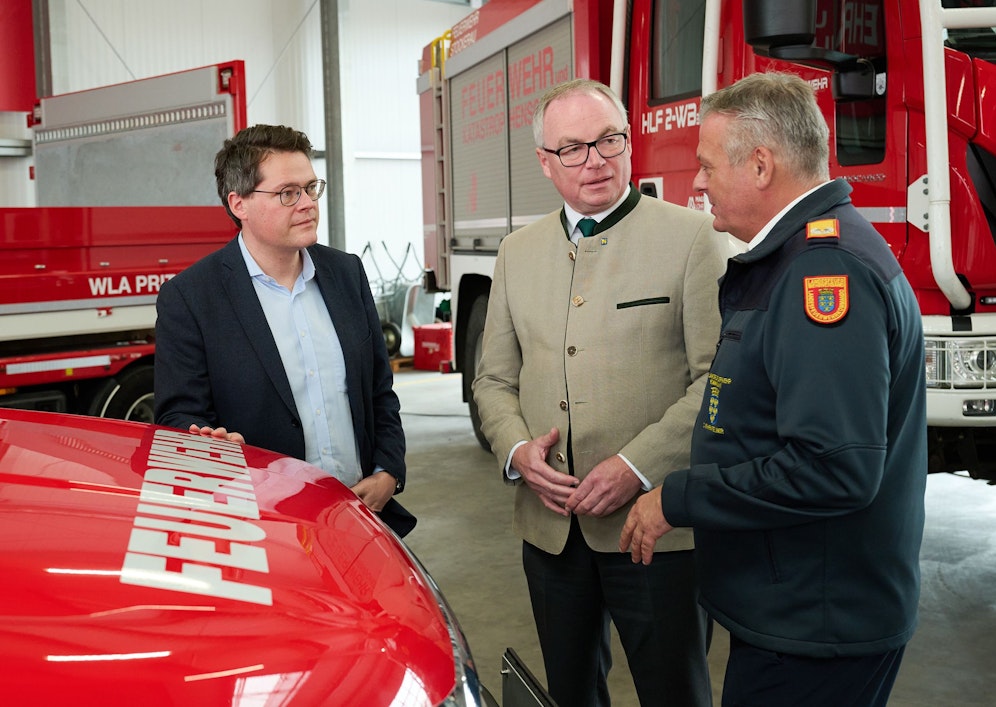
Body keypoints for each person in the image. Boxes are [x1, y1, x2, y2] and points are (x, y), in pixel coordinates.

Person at [620, 72, 927, 707]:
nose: (697, 184)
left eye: (706, 166)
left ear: (761, 165)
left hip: (817, 625)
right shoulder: (799, 257)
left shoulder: (823, 271)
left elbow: (832, 467)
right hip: (799, 610)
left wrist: (677, 498)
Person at [472, 78, 725, 706]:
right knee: (570, 691)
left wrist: (638, 466)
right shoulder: (516, 253)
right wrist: (517, 452)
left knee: (674, 691)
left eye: (609, 141)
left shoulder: (692, 239)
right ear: (545, 163)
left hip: (655, 528)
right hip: (551, 528)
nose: (596, 161)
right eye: (573, 149)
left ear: (628, 142)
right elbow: (494, 380)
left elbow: (718, 381)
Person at [154, 124, 413, 536]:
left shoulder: (346, 273)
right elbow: (177, 416)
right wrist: (205, 440)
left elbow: (379, 391)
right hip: (263, 525)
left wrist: (388, 471)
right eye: (288, 193)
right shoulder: (191, 298)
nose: (308, 204)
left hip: (362, 513)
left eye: (311, 188)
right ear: (239, 203)